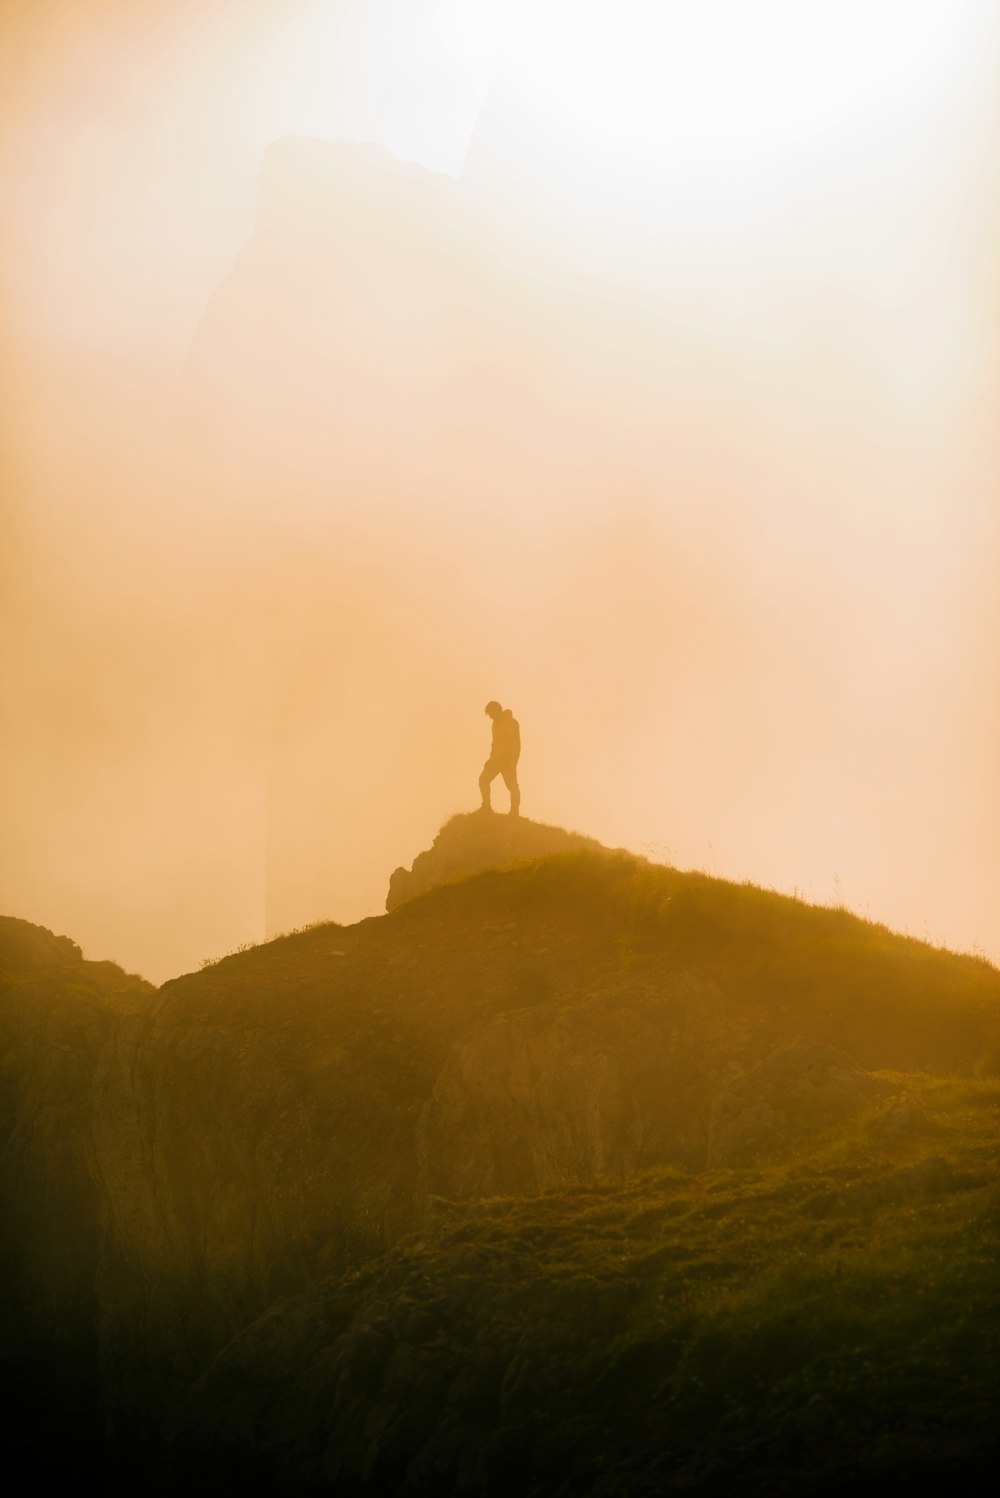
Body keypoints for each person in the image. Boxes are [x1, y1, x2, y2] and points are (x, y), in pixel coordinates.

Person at [479, 700, 520, 815]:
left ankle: (514, 811)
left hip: (508, 762)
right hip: (495, 760)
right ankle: (486, 806)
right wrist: (490, 759)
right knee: (483, 780)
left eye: (491, 714)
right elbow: (495, 743)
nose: (490, 717)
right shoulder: (495, 724)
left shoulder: (512, 723)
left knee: (512, 786)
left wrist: (513, 763)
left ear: (497, 711)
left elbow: (516, 745)